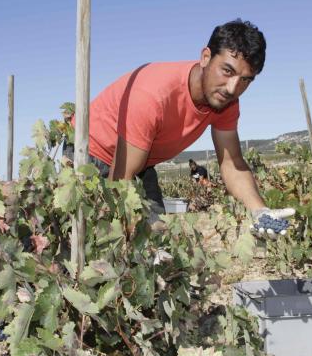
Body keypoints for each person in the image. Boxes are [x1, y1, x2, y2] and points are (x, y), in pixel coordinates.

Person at [69, 19, 293, 236]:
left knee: (157, 241)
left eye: (245, 80)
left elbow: (232, 164)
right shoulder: (153, 96)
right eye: (227, 71)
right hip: (90, 156)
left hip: (140, 162)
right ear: (206, 57)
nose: (233, 88)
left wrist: (259, 210)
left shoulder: (226, 101)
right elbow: (119, 184)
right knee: (100, 242)